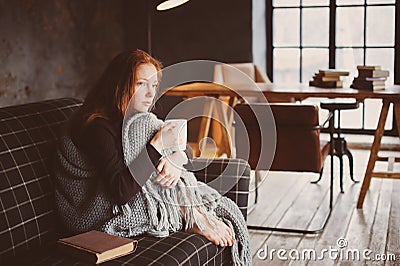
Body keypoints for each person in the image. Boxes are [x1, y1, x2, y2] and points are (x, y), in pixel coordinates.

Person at [53, 50, 250, 264]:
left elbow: (187, 153)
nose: (150, 94)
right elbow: (121, 192)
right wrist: (156, 144)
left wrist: (176, 158)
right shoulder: (98, 127)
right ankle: (191, 213)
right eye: (141, 84)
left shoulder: (132, 119)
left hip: (120, 191)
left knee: (152, 135)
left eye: (154, 85)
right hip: (91, 211)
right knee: (150, 134)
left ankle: (191, 212)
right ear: (119, 85)